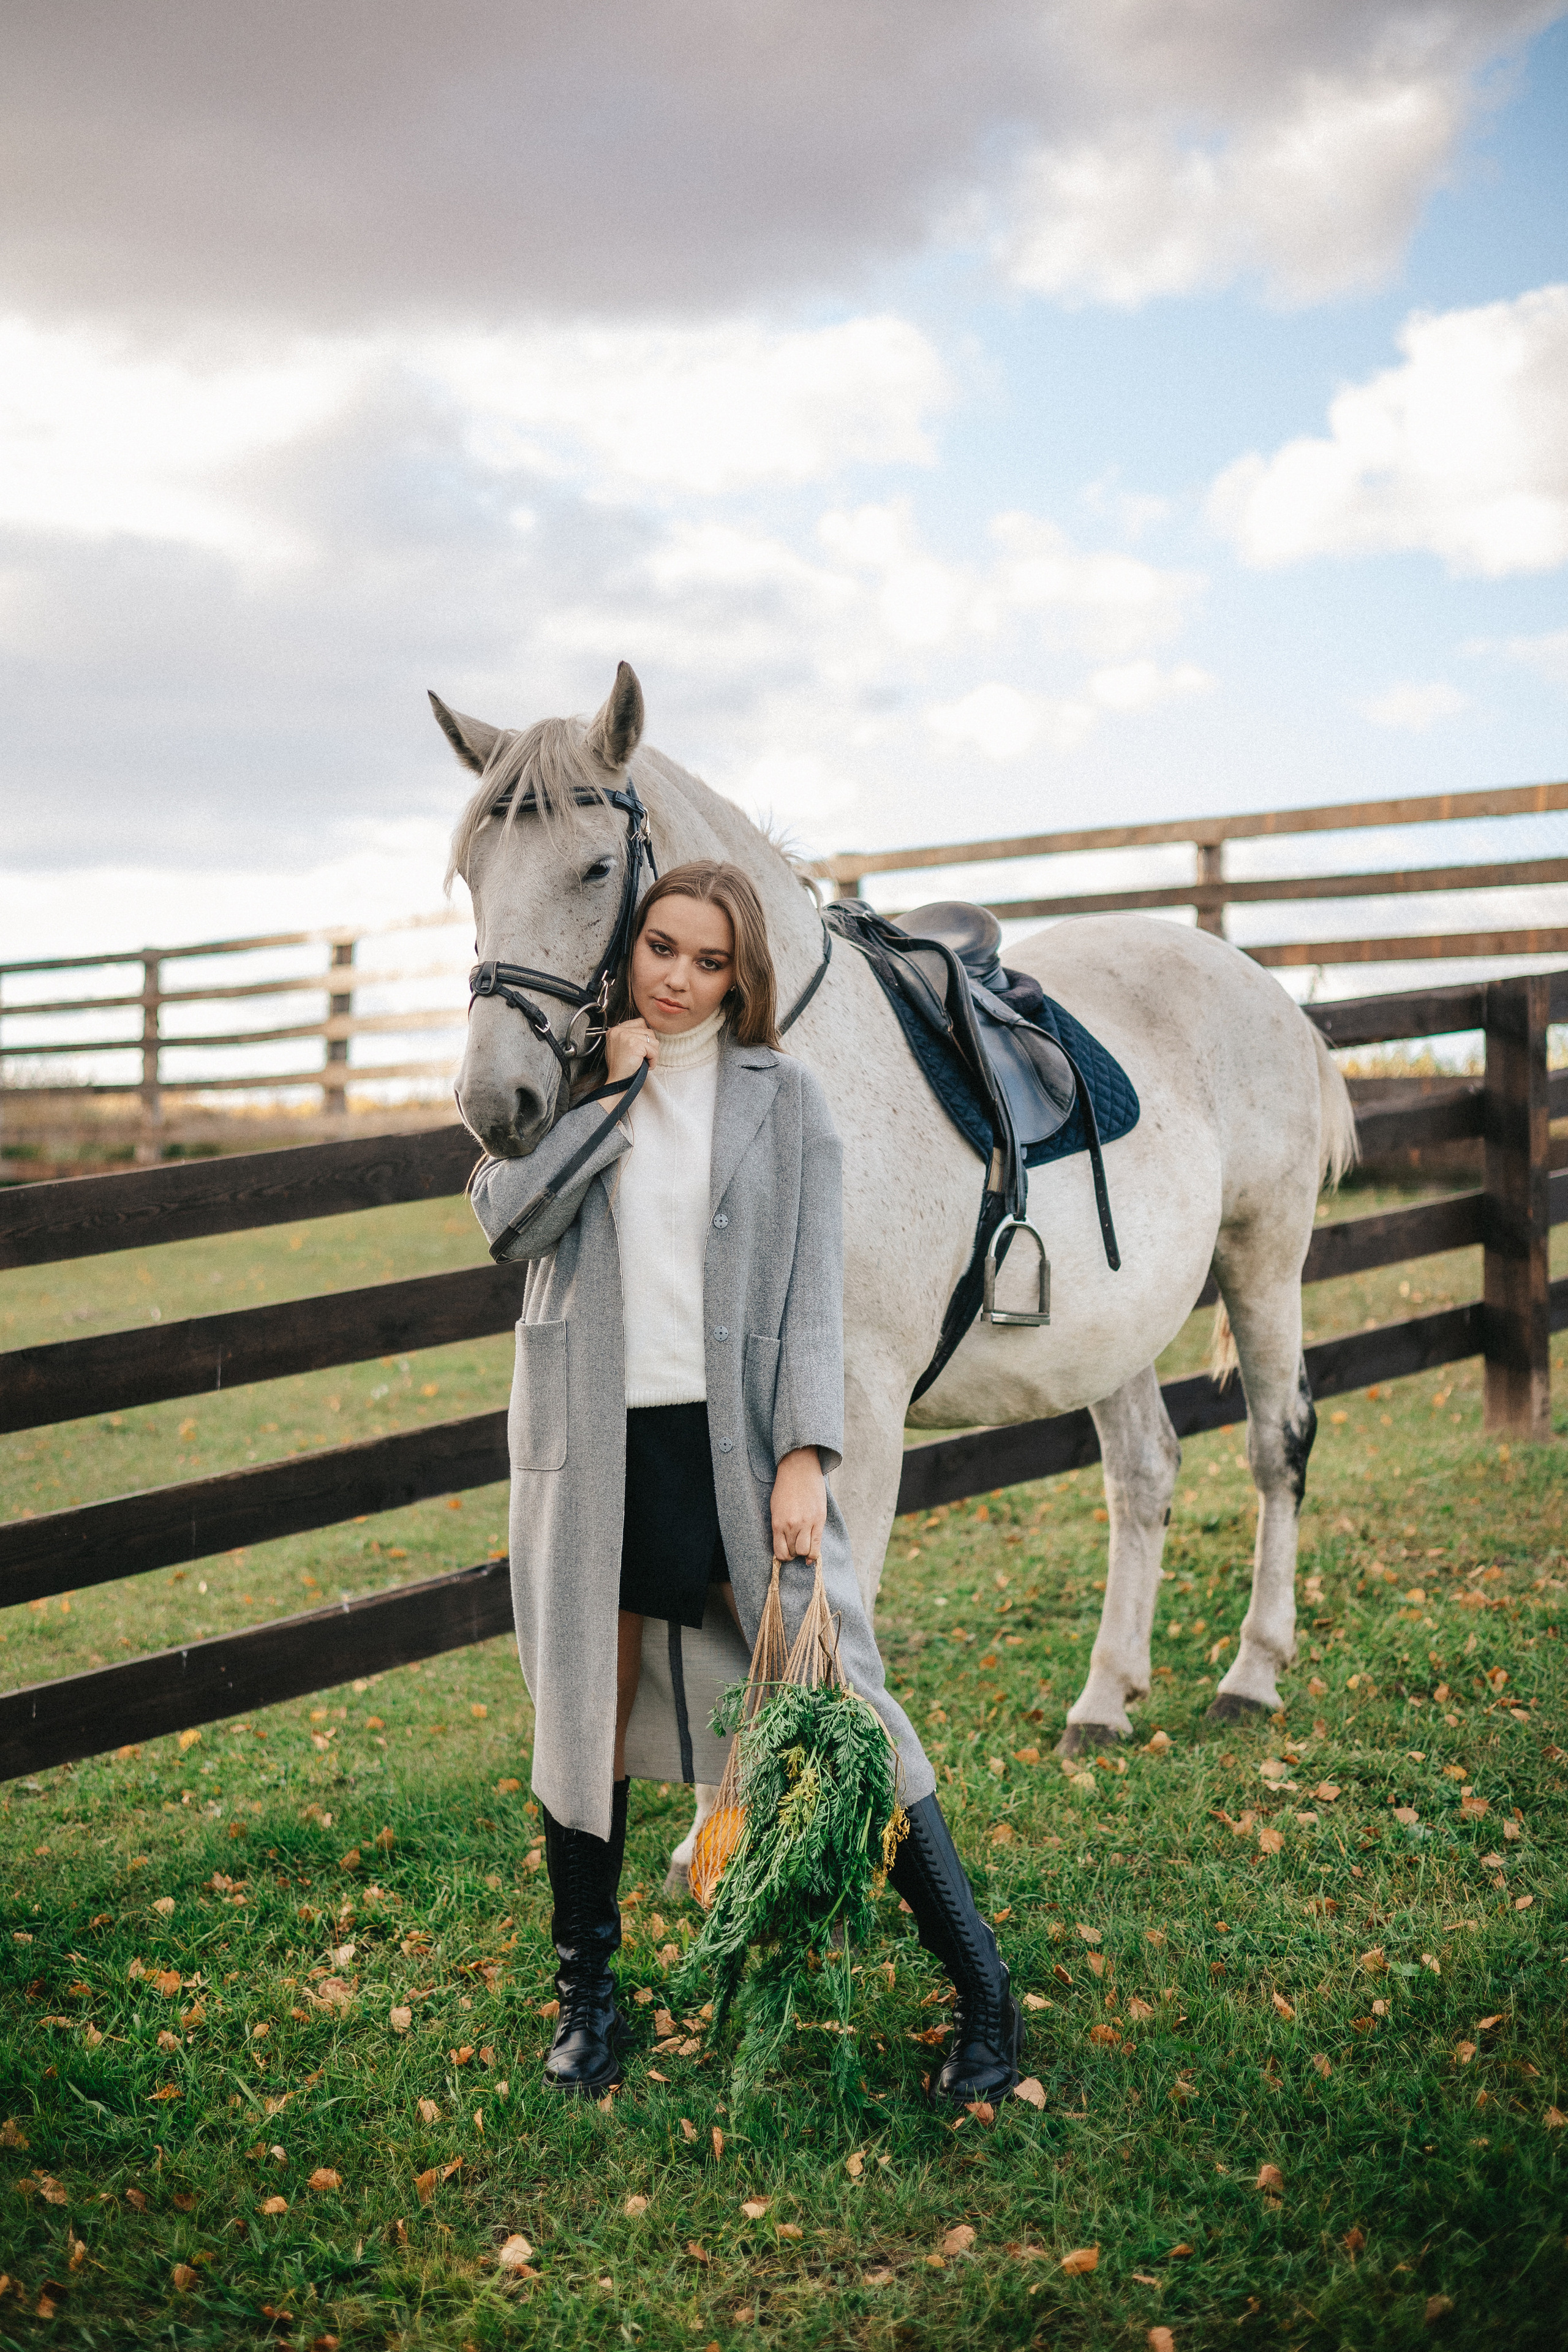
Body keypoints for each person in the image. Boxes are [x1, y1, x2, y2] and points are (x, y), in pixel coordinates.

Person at [468, 858, 1021, 2105]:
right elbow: (504, 1222)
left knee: (843, 1698)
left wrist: (802, 1460)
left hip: (735, 1448)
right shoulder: (571, 1080)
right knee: (582, 1723)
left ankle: (981, 1994)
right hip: (592, 1446)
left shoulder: (787, 1102)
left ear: (741, 975)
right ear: (632, 952)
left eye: (707, 961)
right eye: (660, 949)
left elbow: (814, 1305)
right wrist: (605, 1105)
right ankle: (587, 2003)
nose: (677, 978)